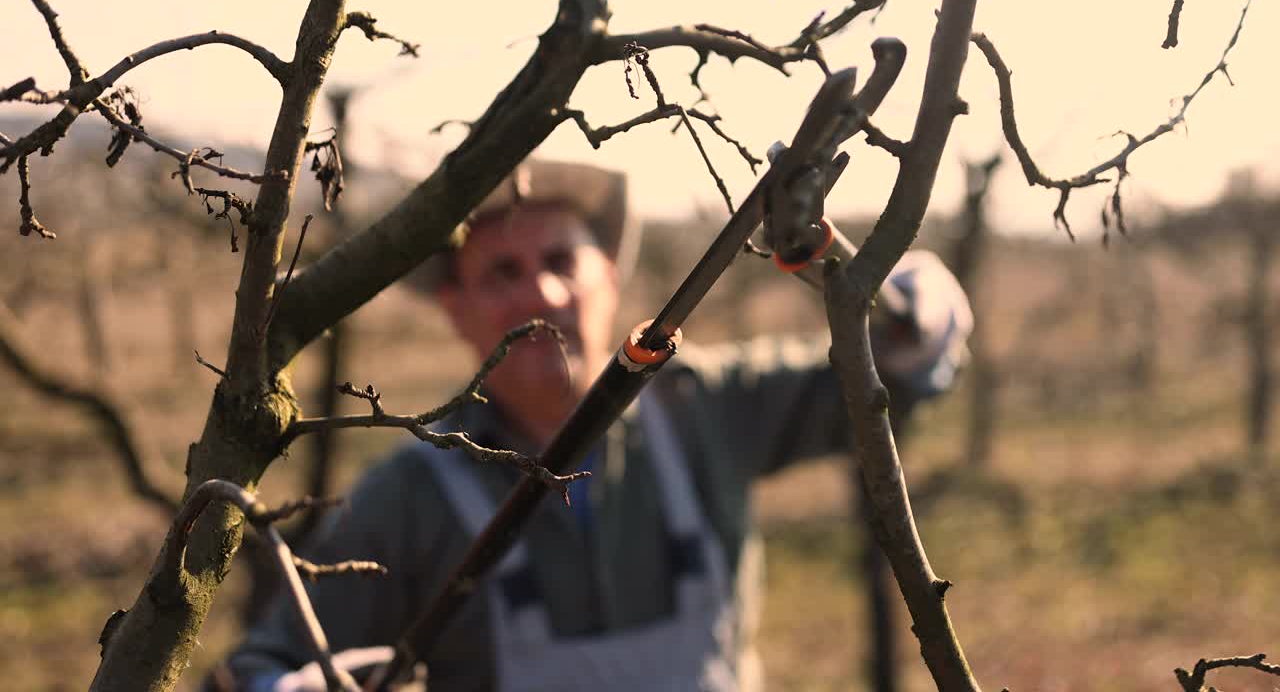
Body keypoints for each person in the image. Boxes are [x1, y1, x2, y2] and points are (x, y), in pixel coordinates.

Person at [223, 159, 972, 692]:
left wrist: (909, 316)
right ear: (457, 310)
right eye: (502, 274)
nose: (541, 292)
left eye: (560, 260)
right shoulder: (410, 495)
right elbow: (269, 663)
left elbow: (879, 382)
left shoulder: (703, 407)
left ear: (609, 277)